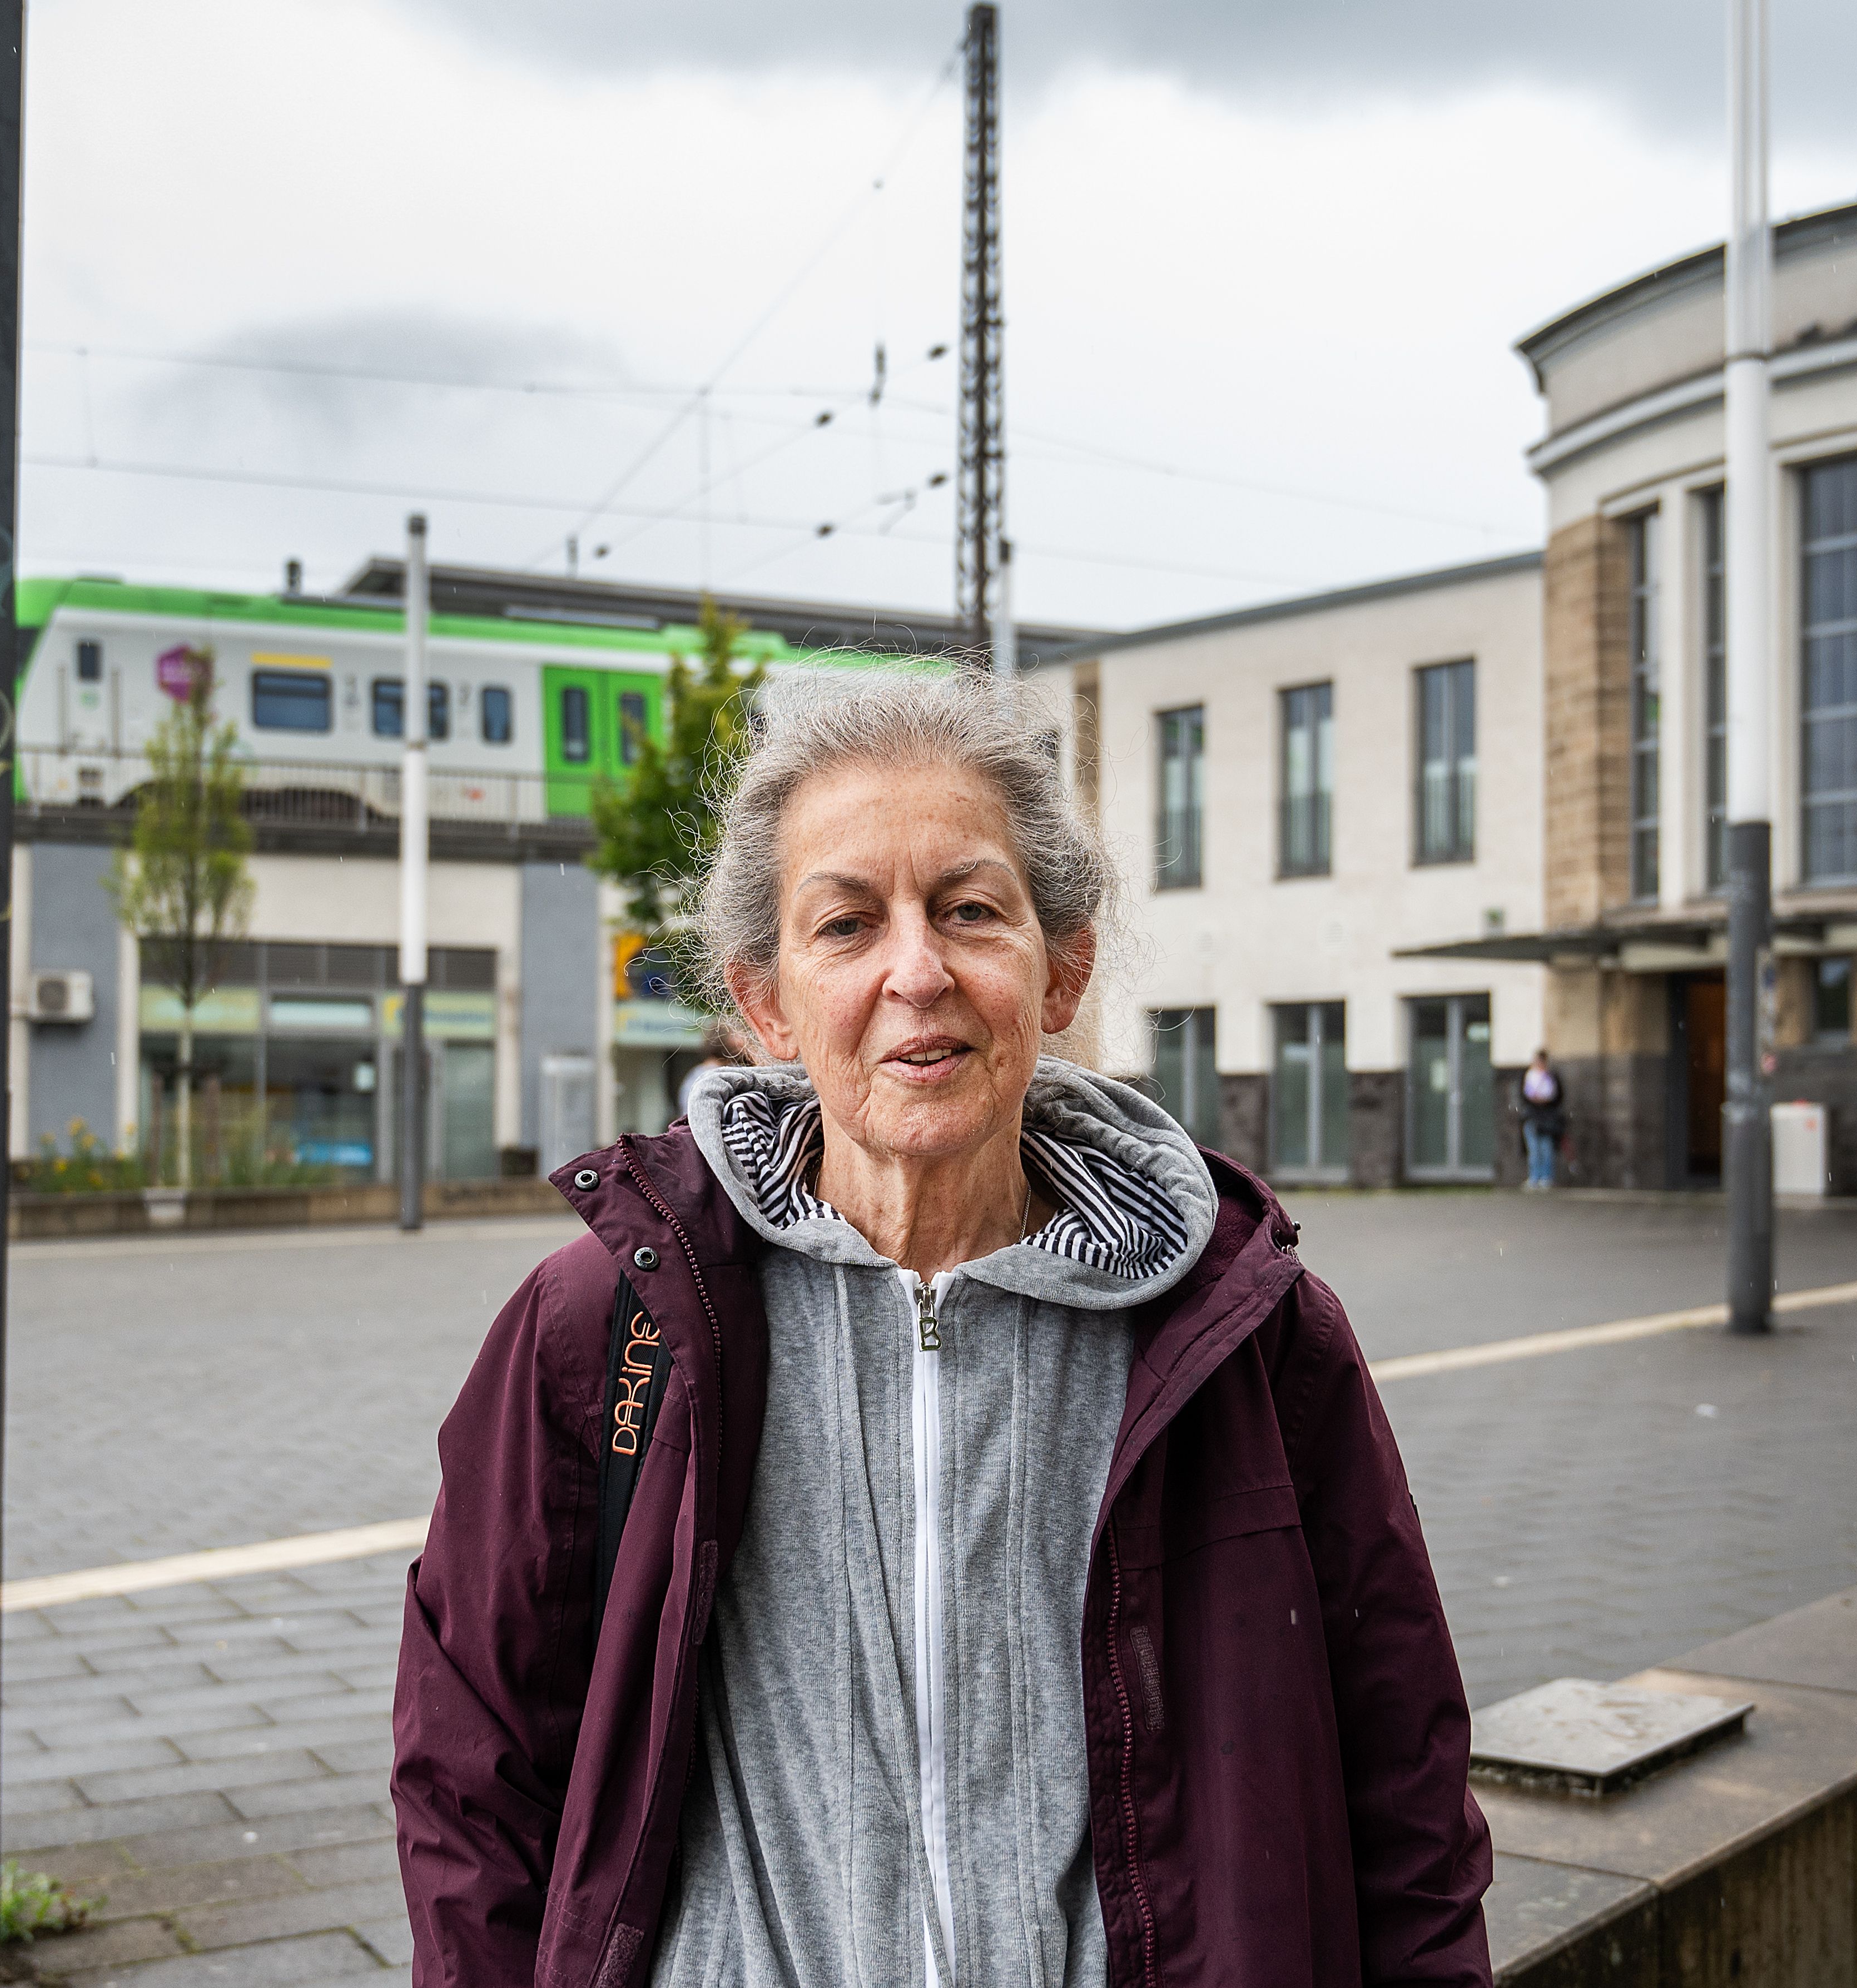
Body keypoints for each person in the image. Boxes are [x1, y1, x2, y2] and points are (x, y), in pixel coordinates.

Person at [393, 672, 1490, 1988]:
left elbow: (1404, 1785)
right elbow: (473, 1778)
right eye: (845, 923)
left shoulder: (1246, 1337)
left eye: (969, 910)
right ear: (766, 1004)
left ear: (1059, 968)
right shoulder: (606, 1328)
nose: (915, 972)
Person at [1521, 1047, 1565, 1191]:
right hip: (1532, 1117)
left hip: (1547, 1119)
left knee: (1546, 1149)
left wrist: (1545, 1101)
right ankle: (1534, 1177)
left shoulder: (1551, 1077)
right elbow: (1524, 1096)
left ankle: (1546, 1178)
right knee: (1534, 1150)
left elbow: (1557, 1097)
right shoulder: (1529, 1076)